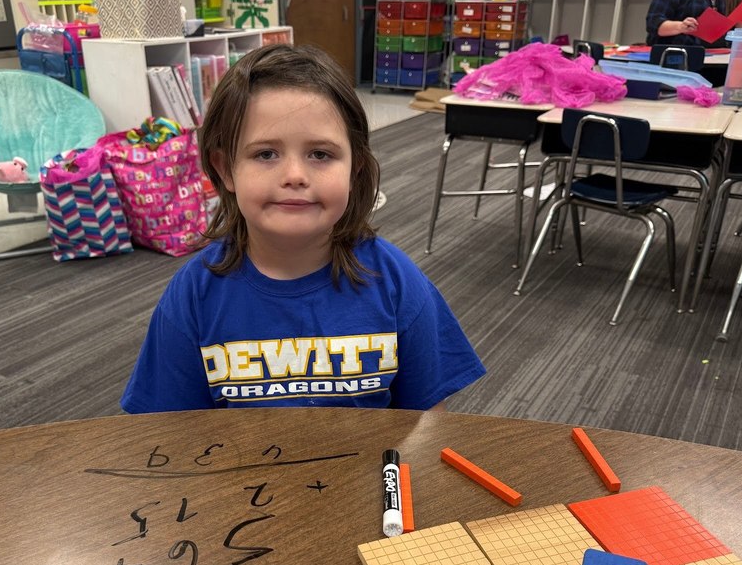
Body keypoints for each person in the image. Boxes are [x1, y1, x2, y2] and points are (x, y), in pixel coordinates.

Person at [121, 44, 486, 413]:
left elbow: (429, 421)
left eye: (320, 154)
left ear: (355, 166)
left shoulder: (396, 282)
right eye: (265, 154)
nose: (295, 175)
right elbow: (167, 435)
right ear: (225, 168)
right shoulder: (193, 296)